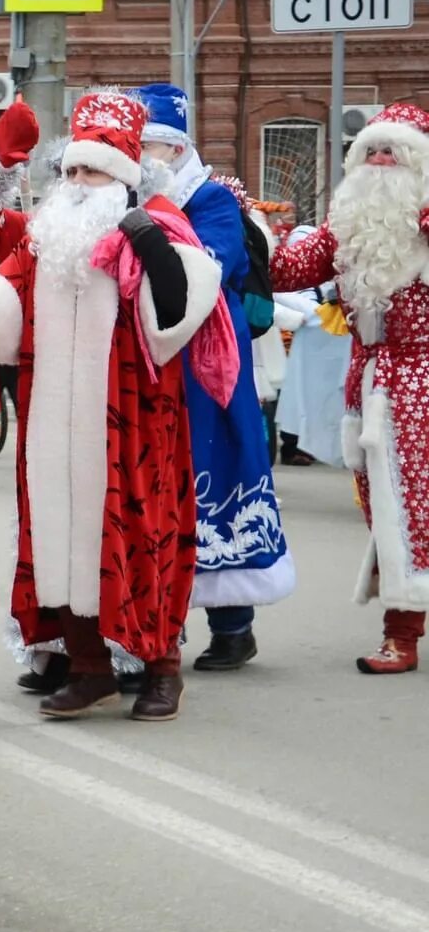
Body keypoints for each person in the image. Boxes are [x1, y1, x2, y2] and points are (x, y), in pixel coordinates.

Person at [0, 91, 236, 720]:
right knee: (61, 536)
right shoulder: (45, 238)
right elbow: (1, 307)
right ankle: (89, 665)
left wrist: (145, 242)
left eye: (93, 171)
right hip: (54, 424)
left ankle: (162, 666)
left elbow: (177, 314)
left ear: (121, 177)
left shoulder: (158, 224)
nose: (79, 183)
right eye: (71, 171)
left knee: (146, 535)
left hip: (136, 423)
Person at [131, 85, 295, 673]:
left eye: (152, 144)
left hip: (205, 372)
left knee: (215, 477)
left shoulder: (210, 199)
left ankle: (233, 624)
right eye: (138, 144)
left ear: (175, 147)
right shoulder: (128, 196)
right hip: (145, 368)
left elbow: (213, 263)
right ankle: (153, 626)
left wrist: (151, 242)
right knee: (149, 493)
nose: (144, 155)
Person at [269, 101, 429, 674]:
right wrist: (246, 228)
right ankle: (403, 623)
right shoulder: (348, 227)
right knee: (381, 507)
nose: (382, 162)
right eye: (371, 153)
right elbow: (286, 271)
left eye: (396, 154)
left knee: (406, 509)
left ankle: (402, 633)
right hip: (371, 386)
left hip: (421, 382)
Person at [273, 224, 351, 467]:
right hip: (308, 350)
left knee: (330, 396)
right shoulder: (294, 276)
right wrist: (315, 312)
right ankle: (293, 444)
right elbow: (285, 296)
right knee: (299, 395)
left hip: (333, 349)